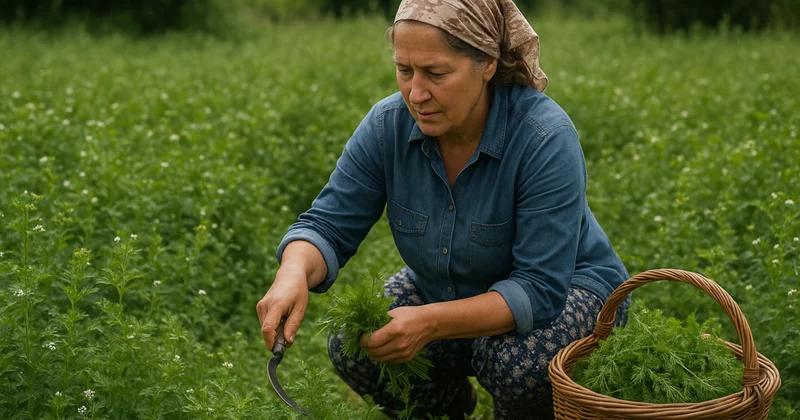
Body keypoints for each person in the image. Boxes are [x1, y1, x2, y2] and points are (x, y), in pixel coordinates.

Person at [256, 0, 631, 418]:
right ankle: (445, 409)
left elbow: (540, 289)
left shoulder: (543, 137)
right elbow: (327, 224)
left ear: (486, 62)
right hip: (447, 290)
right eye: (404, 70)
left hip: (570, 293)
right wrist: (291, 275)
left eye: (436, 73)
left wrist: (428, 322)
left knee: (514, 363)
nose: (416, 94)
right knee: (356, 342)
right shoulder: (388, 127)